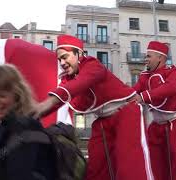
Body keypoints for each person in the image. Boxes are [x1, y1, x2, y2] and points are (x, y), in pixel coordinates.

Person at [32, 34, 154, 180]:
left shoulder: (93, 65)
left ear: (79, 54)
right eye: (59, 59)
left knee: (130, 166)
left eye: (65, 57)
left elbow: (80, 83)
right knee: (95, 167)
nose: (62, 62)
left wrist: (46, 103)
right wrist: (33, 114)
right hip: (102, 122)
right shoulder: (67, 79)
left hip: (126, 112)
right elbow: (58, 100)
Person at [132, 41, 176, 180]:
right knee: (154, 161)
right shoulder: (144, 75)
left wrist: (144, 96)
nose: (145, 59)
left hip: (175, 124)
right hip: (156, 125)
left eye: (148, 56)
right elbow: (132, 92)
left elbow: (171, 87)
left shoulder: (173, 71)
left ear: (160, 57)